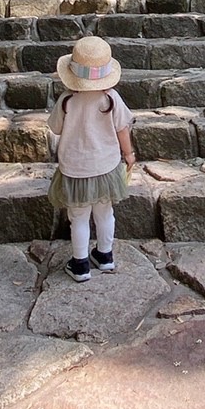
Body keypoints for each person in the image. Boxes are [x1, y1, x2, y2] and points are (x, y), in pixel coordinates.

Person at [48, 35, 137, 282]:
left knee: (78, 217)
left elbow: (55, 128)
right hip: (105, 166)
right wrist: (128, 154)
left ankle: (80, 265)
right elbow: (122, 129)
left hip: (75, 168)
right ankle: (105, 256)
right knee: (105, 213)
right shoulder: (110, 98)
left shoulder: (66, 100)